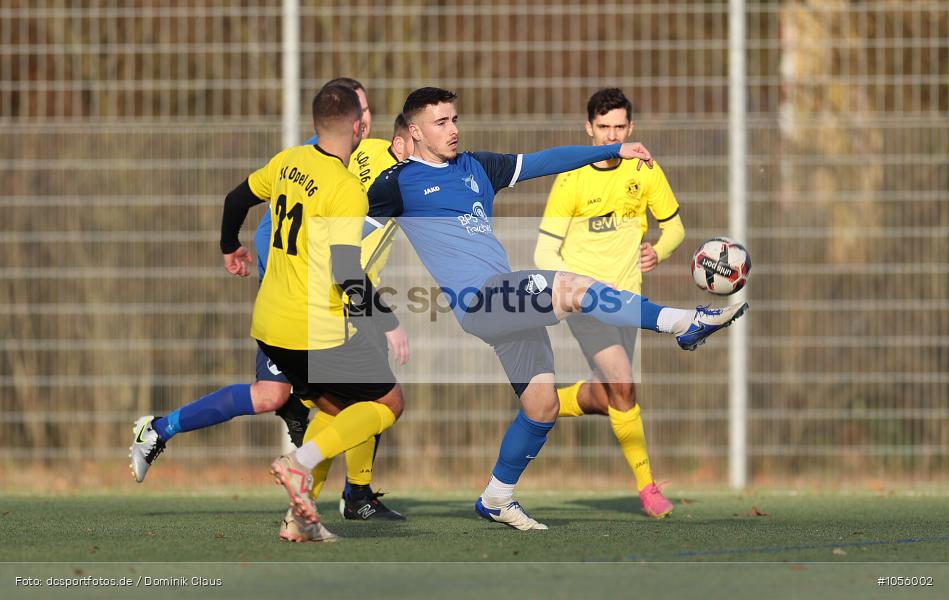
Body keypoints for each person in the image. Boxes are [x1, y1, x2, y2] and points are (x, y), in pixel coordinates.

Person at [365, 87, 748, 531]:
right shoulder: (396, 183)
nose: (453, 129)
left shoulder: (476, 166)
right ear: (414, 132)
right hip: (481, 300)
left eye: (454, 119)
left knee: (543, 406)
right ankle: (682, 322)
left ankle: (496, 497)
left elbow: (545, 160)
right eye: (441, 123)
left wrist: (612, 149)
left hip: (503, 303)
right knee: (572, 287)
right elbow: (345, 232)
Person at [128, 85, 411, 523]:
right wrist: (388, 321)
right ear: (357, 125)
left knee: (310, 404)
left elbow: (235, 199)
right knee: (385, 403)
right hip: (311, 325)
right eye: (365, 111)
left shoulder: (288, 162)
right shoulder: (344, 187)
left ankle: (314, 508)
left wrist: (228, 247)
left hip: (270, 323)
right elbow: (345, 271)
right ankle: (306, 473)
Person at [534, 88, 686, 519]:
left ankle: (544, 402)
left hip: (630, 301)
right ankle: (647, 488)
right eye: (604, 128)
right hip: (588, 306)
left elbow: (675, 227)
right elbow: (545, 250)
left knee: (610, 394)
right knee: (624, 385)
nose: (611, 135)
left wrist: (660, 250)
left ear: (630, 128)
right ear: (589, 129)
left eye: (619, 127)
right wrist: (569, 288)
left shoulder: (645, 170)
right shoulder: (571, 178)